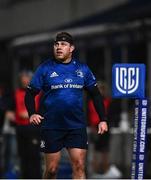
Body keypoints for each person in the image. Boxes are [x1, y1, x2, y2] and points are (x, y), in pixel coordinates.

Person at [25, 32, 108, 179]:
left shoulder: (82, 69)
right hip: (51, 125)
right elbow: (30, 94)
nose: (58, 47)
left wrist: (103, 119)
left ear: (71, 48)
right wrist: (32, 113)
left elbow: (95, 94)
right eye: (56, 44)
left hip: (76, 125)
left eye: (63, 44)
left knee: (79, 165)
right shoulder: (45, 68)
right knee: (51, 169)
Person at [14, 70, 42, 178]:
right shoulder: (16, 93)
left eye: (27, 78)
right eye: (23, 78)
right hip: (20, 128)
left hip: (33, 128)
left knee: (34, 156)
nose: (24, 80)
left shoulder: (38, 94)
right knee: (22, 156)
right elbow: (12, 111)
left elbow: (41, 110)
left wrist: (31, 114)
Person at [88, 81, 111, 175]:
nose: (100, 91)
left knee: (105, 150)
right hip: (95, 127)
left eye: (102, 89)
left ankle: (105, 171)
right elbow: (90, 115)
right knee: (95, 150)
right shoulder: (91, 102)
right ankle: (95, 171)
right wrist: (92, 126)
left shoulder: (108, 101)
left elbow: (109, 114)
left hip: (105, 127)